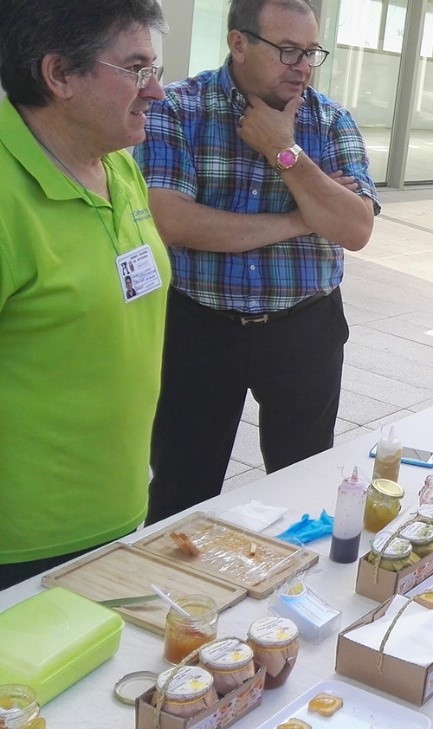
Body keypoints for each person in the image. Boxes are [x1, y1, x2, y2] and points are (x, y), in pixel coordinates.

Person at [135, 0, 379, 524]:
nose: (303, 65)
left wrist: (285, 153)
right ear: (238, 42)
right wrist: (302, 218)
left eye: (311, 51)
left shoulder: (330, 120)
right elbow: (172, 220)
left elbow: (355, 228)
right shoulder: (178, 107)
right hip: (199, 326)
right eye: (287, 49)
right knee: (182, 485)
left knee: (304, 483)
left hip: (304, 328)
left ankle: (295, 594)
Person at [0, 0, 169, 588]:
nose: (157, 92)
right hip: (24, 547)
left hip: (121, 512)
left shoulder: (119, 167)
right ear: (59, 75)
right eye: (137, 69)